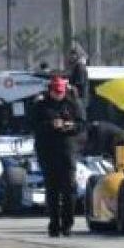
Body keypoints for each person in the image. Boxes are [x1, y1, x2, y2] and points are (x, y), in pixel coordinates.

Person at [32, 76, 86, 236]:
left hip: (67, 150)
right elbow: (33, 125)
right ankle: (54, 223)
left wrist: (71, 126)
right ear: (50, 91)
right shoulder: (41, 105)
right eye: (55, 92)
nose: (58, 95)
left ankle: (67, 223)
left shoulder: (73, 104)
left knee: (69, 188)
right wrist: (50, 125)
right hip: (47, 151)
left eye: (61, 92)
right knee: (52, 190)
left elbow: (82, 124)